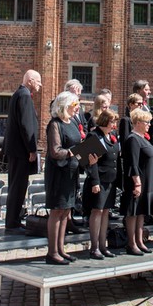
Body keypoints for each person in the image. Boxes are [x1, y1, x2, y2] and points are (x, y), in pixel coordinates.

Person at [45, 92, 93, 265]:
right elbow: (55, 151)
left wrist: (87, 155)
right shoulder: (55, 124)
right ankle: (52, 252)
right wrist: (74, 151)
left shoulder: (72, 122)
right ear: (65, 106)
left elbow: (79, 144)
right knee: (57, 210)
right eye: (75, 105)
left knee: (66, 211)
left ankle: (61, 249)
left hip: (72, 171)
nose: (77, 108)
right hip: (58, 173)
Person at [3, 69, 41, 232]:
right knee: (18, 186)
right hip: (21, 151)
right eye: (38, 81)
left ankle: (14, 219)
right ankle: (13, 221)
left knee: (16, 185)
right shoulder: (24, 95)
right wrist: (32, 149)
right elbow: (26, 125)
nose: (40, 85)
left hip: (16, 149)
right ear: (30, 80)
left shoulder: (19, 93)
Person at [83, 109, 119, 259]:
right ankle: (94, 246)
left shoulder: (111, 136)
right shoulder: (94, 135)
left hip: (110, 180)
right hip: (98, 181)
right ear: (105, 121)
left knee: (105, 212)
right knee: (97, 211)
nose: (114, 125)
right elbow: (90, 163)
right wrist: (95, 181)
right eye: (112, 122)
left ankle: (103, 246)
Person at [120, 109, 153, 255]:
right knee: (133, 211)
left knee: (141, 211)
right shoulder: (133, 139)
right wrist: (137, 183)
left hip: (147, 181)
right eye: (146, 122)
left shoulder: (143, 138)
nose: (149, 125)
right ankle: (131, 243)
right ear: (137, 123)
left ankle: (139, 240)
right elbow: (133, 163)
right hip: (138, 181)